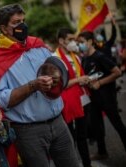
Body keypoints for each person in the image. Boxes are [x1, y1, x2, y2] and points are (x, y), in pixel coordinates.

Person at [0, 3, 79, 167]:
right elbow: (0, 100)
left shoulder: (37, 45)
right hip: (28, 132)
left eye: (23, 20)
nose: (22, 25)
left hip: (58, 123)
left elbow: (57, 71)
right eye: (16, 22)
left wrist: (56, 77)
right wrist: (33, 86)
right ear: (4, 28)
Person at [78, 31, 126, 160]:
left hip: (107, 97)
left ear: (90, 41)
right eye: (79, 43)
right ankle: (102, 151)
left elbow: (117, 72)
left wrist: (100, 82)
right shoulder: (84, 59)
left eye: (82, 42)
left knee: (118, 124)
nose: (80, 45)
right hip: (93, 98)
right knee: (97, 126)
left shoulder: (100, 56)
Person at [54, 28, 92, 167]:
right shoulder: (55, 59)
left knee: (82, 136)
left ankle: (87, 163)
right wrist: (78, 80)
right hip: (67, 103)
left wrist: (83, 80)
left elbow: (78, 76)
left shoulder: (75, 56)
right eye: (70, 39)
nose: (73, 43)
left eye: (73, 40)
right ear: (61, 41)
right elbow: (59, 85)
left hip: (81, 99)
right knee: (69, 138)